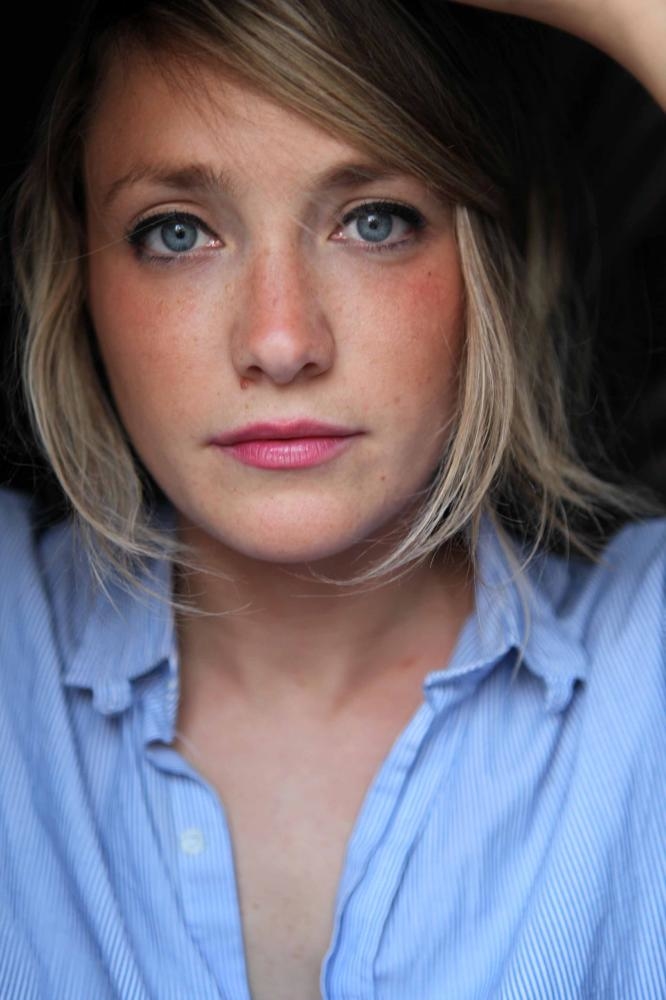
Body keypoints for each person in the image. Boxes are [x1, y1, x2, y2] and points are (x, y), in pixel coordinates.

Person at [1, 0, 664, 997]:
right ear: (78, 278)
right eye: (177, 231)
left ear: (488, 261)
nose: (280, 341)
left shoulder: (646, 669)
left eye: (374, 221)